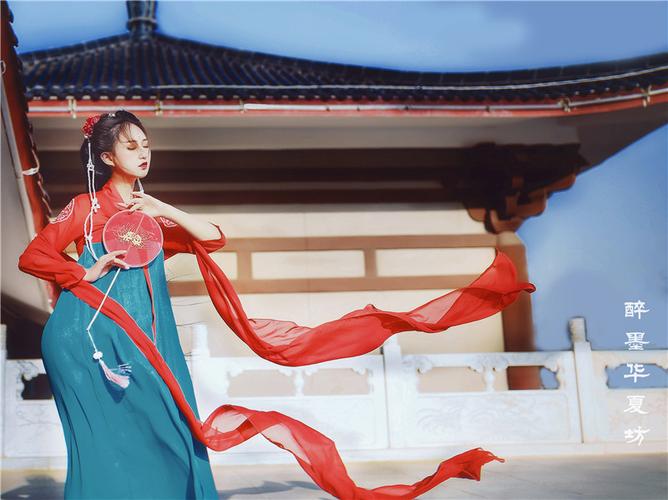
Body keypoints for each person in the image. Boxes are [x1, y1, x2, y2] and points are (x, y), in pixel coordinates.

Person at [18, 110, 536, 499]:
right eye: (132, 147)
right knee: (103, 436)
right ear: (108, 157)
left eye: (147, 145)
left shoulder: (148, 217)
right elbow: (33, 254)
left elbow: (214, 238)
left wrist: (159, 205)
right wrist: (82, 271)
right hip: (88, 334)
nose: (144, 153)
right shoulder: (85, 209)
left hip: (148, 335)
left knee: (174, 425)